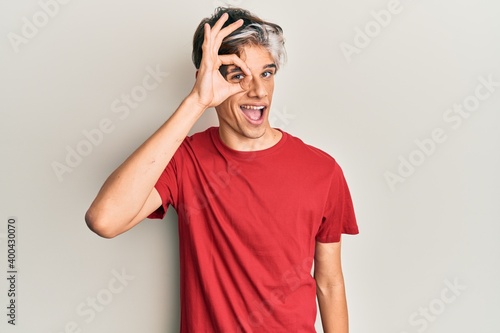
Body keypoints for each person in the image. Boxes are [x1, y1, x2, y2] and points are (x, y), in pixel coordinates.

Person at [85, 7, 359, 333]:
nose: (258, 90)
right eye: (239, 76)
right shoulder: (185, 160)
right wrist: (196, 102)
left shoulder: (322, 170)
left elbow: (329, 283)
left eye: (267, 73)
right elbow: (104, 219)